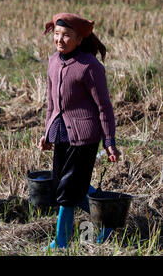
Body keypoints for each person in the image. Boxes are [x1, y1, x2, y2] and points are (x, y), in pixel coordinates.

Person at [39, 13, 121, 251]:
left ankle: (61, 242)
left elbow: (104, 106)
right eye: (56, 34)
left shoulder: (90, 66)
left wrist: (109, 141)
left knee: (67, 190)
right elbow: (51, 103)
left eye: (66, 35)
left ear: (78, 39)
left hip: (85, 135)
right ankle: (107, 220)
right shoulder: (54, 62)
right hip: (61, 131)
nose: (60, 40)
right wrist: (47, 133)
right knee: (71, 185)